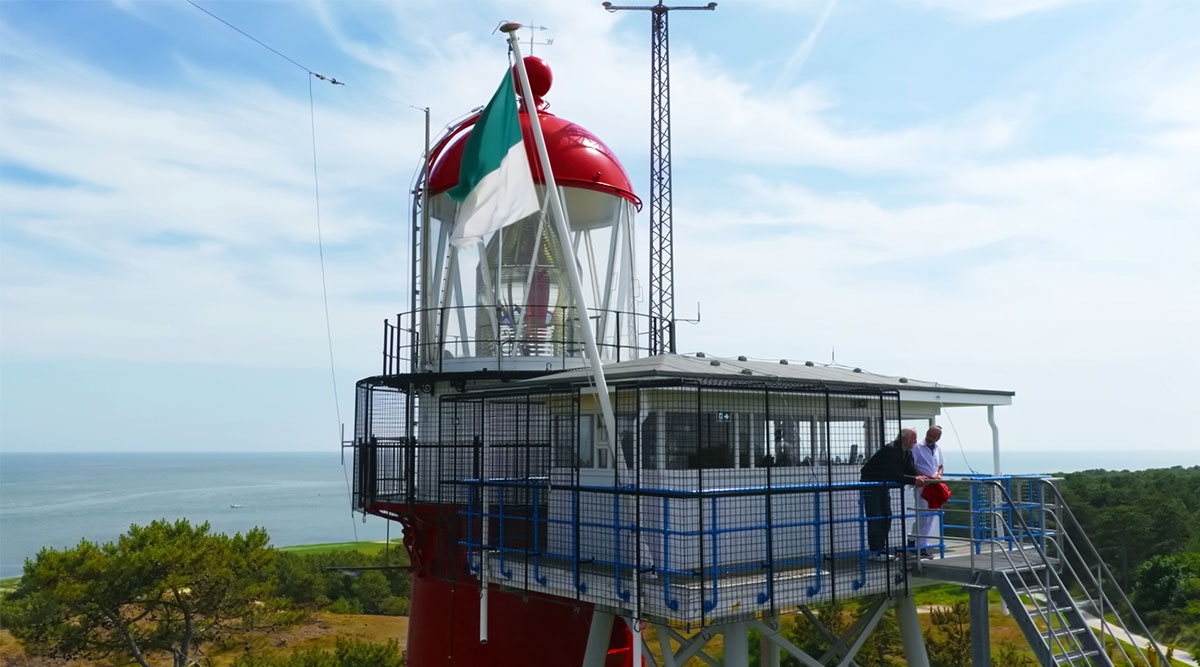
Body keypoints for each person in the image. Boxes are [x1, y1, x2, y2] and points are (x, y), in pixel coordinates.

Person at [860, 428, 926, 562]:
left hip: (882, 486)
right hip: (871, 486)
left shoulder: (906, 452)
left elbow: (909, 469)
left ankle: (880, 549)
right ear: (905, 439)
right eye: (913, 438)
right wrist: (914, 480)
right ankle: (875, 550)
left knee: (886, 517)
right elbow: (894, 474)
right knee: (876, 518)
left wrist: (922, 477)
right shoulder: (891, 450)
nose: (915, 441)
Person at [910, 425, 945, 558]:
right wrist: (922, 477)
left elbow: (940, 465)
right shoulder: (917, 447)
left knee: (931, 516)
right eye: (929, 435)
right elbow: (912, 465)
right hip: (923, 486)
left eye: (933, 436)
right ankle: (920, 546)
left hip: (935, 485)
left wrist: (939, 475)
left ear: (938, 438)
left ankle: (914, 542)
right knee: (923, 515)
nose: (930, 438)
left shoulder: (938, 449)